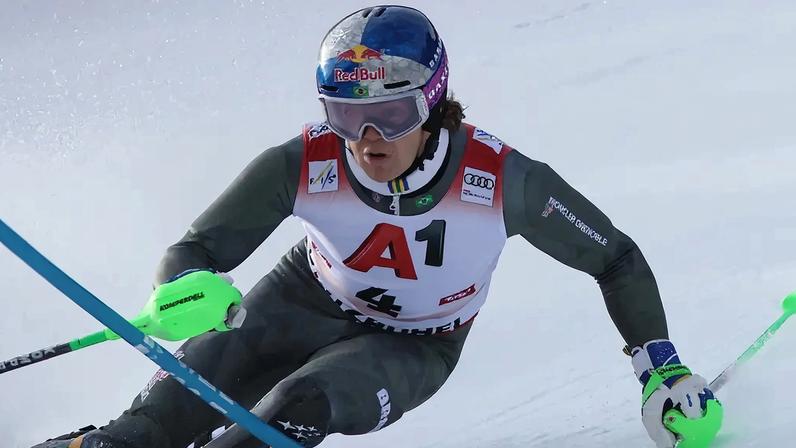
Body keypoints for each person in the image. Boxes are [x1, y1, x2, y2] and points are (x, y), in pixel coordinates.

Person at [35, 5, 722, 448]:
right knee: (146, 430)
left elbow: (616, 258)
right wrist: (186, 286)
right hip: (299, 300)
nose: (366, 140)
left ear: (432, 103)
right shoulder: (304, 161)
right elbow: (194, 250)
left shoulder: (503, 181)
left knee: (296, 407)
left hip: (415, 344)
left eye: (390, 116)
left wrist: (659, 366)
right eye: (344, 114)